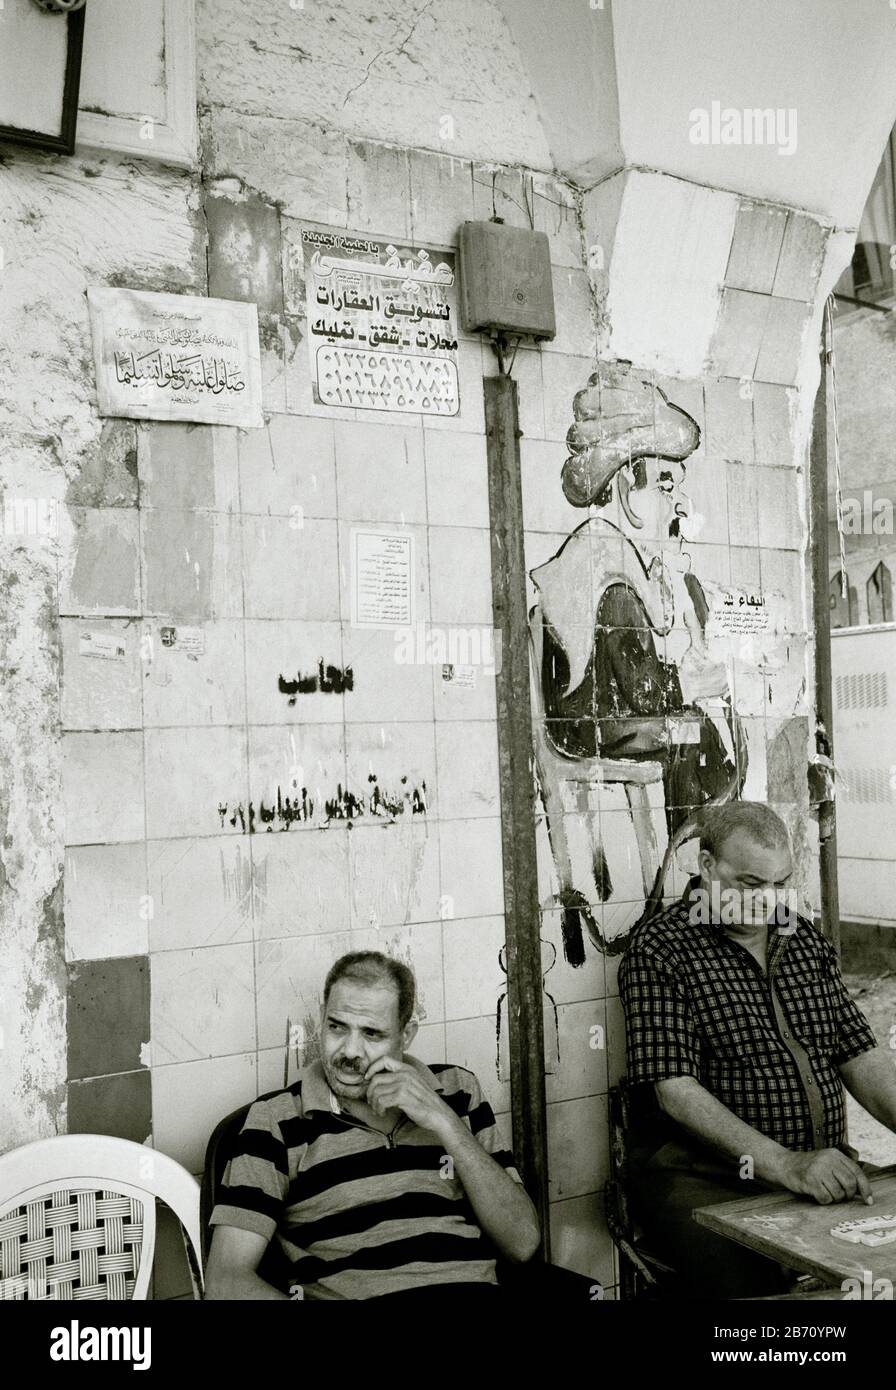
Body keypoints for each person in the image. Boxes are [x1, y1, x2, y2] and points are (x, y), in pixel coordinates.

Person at [618, 801, 896, 1299]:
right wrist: (788, 1164)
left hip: (822, 1174)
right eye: (751, 884)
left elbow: (860, 1054)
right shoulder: (660, 949)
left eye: (780, 883)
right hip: (708, 1186)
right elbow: (675, 1092)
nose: (769, 902)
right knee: (767, 1297)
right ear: (707, 866)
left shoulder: (802, 938)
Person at [531, 363, 744, 951]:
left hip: (604, 715)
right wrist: (698, 682)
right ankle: (690, 885)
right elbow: (647, 691)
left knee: (696, 727)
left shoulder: (616, 557)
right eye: (668, 486)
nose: (678, 503)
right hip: (589, 726)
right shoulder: (610, 568)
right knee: (696, 731)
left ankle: (686, 870)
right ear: (629, 489)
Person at [205, 951, 540, 1300]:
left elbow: (523, 1243)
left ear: (406, 1034)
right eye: (336, 1026)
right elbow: (226, 1282)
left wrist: (442, 1120)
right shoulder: (276, 1120)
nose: (349, 1051)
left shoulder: (458, 1091)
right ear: (321, 1019)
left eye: (372, 1033)